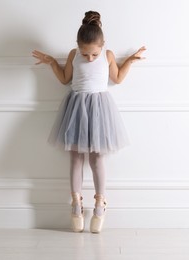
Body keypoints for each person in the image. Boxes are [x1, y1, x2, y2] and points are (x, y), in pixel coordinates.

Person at [32, 11, 146, 233]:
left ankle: (100, 202)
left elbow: (118, 79)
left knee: (97, 158)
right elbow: (65, 79)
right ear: (78, 47)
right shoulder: (74, 54)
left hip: (99, 109)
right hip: (75, 108)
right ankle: (76, 203)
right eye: (86, 55)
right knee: (75, 157)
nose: (90, 59)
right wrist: (52, 62)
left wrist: (130, 60)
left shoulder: (108, 55)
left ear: (102, 46)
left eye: (94, 54)